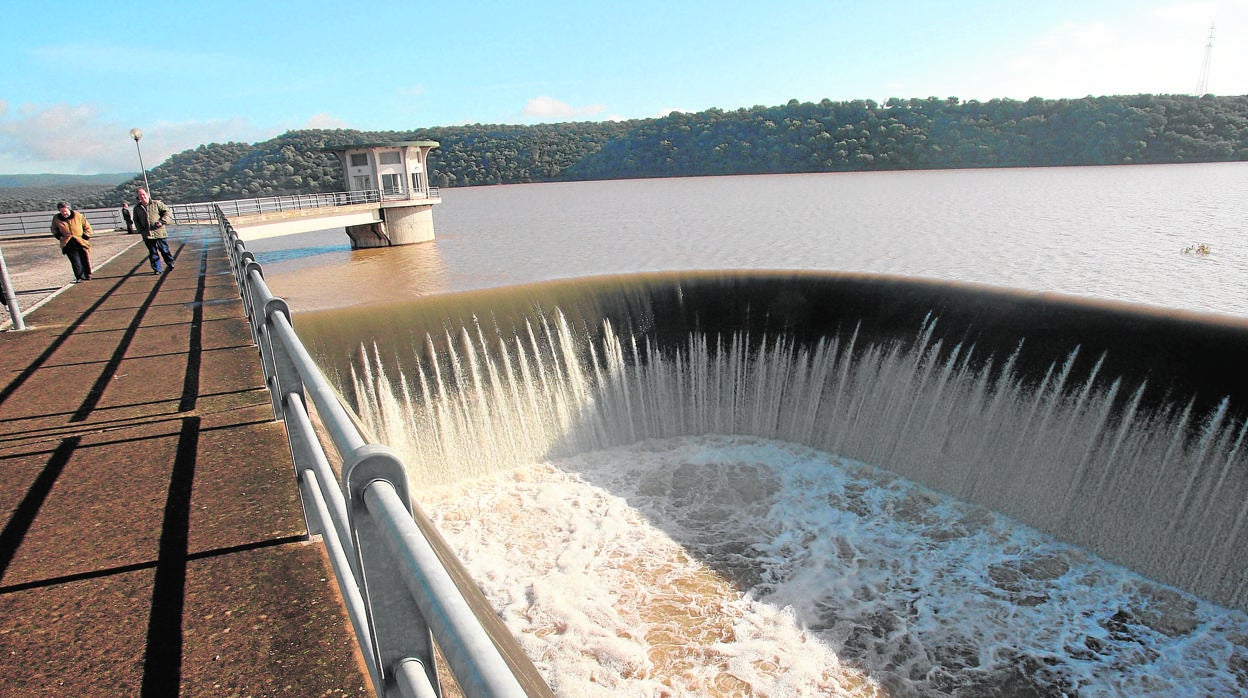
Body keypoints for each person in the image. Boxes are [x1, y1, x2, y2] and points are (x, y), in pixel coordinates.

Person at [133, 187, 174, 274]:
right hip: (147, 234)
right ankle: (157, 269)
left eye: (143, 194)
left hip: (159, 232)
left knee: (164, 249)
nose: (142, 197)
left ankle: (170, 263)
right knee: (152, 252)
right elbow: (135, 220)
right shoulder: (137, 208)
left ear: (147, 195)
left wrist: (162, 221)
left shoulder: (157, 203)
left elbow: (167, 212)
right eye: (140, 195)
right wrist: (140, 230)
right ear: (138, 197)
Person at [50, 202, 93, 282]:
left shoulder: (78, 216)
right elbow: (53, 229)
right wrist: (58, 235)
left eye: (65, 211)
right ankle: (79, 277)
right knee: (75, 261)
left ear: (69, 209)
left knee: (84, 259)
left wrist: (86, 235)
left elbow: (87, 227)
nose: (64, 213)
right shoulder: (56, 218)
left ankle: (87, 274)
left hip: (80, 241)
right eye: (62, 212)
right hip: (68, 243)